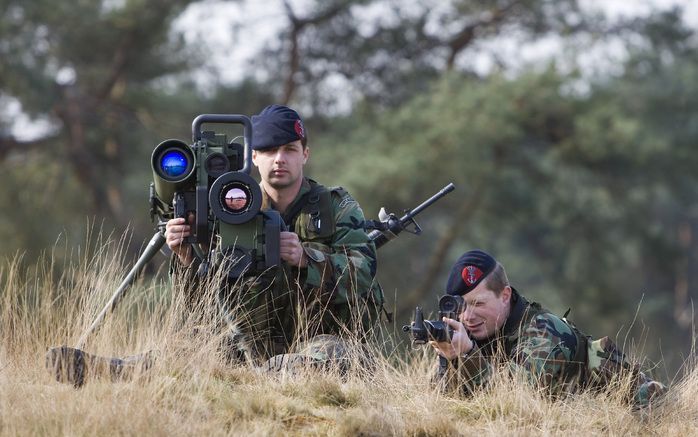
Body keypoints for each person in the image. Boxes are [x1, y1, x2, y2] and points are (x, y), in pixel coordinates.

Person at [165, 104, 384, 371]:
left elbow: (364, 273)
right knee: (183, 350)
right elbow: (200, 306)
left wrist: (306, 259)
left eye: (289, 150)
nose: (279, 158)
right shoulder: (226, 208)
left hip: (320, 344)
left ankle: (273, 371)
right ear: (254, 157)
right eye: (270, 150)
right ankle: (116, 369)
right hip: (245, 343)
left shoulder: (336, 206)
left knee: (333, 355)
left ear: (304, 155)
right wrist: (187, 258)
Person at [430, 249, 667, 409]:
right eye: (462, 305)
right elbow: (446, 404)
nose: (468, 316)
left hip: (640, 411)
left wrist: (467, 355)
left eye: (478, 303)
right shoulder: (475, 333)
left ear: (505, 295)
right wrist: (449, 358)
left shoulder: (545, 331)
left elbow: (514, 401)